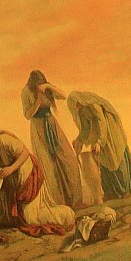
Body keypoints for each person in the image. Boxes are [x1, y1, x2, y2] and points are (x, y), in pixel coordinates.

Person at [0, 125, 74, 234]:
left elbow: (25, 153)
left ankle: (66, 215)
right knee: (11, 215)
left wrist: (11, 169)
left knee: (31, 219)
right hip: (13, 178)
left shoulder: (3, 139)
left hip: (27, 173)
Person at [21, 71, 87, 209]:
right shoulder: (26, 91)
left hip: (52, 124)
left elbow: (63, 95)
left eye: (41, 82)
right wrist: (38, 100)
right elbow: (27, 115)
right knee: (49, 167)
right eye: (37, 83)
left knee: (69, 160)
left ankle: (76, 201)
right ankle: (59, 204)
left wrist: (48, 87)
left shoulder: (47, 87)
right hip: (38, 127)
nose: (39, 85)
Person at [67, 92, 131, 202]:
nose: (77, 108)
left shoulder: (94, 106)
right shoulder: (81, 111)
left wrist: (100, 142)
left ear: (80, 100)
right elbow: (85, 128)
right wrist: (79, 140)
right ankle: (111, 192)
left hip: (109, 133)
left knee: (115, 160)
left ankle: (124, 191)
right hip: (100, 135)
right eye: (75, 107)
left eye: (77, 105)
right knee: (103, 162)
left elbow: (102, 123)